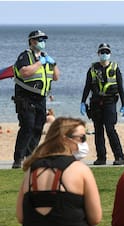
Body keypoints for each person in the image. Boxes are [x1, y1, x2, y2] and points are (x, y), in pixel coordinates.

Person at [16, 117, 108, 226]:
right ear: (65, 139)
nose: (84, 143)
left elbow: (21, 217)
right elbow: (95, 218)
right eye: (82, 138)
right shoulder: (80, 170)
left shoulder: (31, 171)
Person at [12, 30, 60, 169]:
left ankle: (30, 155)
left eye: (44, 39)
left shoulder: (45, 57)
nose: (42, 42)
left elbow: (56, 77)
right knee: (27, 126)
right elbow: (24, 72)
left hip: (40, 98)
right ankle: (18, 158)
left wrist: (54, 63)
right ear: (32, 41)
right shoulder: (25, 56)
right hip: (25, 97)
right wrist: (40, 63)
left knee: (38, 127)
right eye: (39, 39)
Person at [80, 43, 124, 166]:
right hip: (96, 103)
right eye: (102, 52)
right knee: (98, 131)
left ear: (110, 54)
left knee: (110, 129)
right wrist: (83, 102)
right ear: (98, 54)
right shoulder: (92, 69)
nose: (104, 54)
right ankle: (101, 157)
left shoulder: (115, 68)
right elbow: (87, 86)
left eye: (106, 52)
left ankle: (119, 156)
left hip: (110, 102)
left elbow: (121, 87)